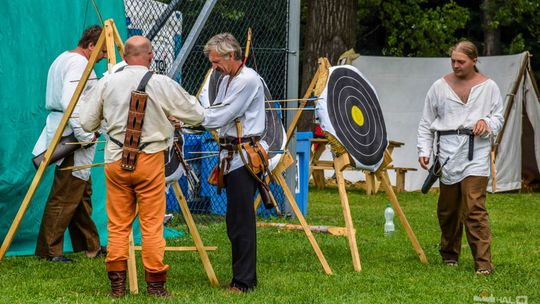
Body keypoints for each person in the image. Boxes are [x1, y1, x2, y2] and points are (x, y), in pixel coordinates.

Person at [80, 35, 204, 298]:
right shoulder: (161, 83)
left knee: (117, 225)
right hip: (149, 161)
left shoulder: (108, 82)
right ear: (150, 56)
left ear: (125, 57)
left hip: (116, 160)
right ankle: (156, 287)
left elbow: (87, 123)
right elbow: (197, 114)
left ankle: (117, 288)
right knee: (151, 225)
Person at [417, 41, 504, 275]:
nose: (456, 65)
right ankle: (449, 255)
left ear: (474, 61)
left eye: (461, 61)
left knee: (474, 207)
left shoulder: (489, 87)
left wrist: (486, 123)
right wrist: (424, 150)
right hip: (446, 153)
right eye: (453, 61)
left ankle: (483, 264)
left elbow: (499, 117)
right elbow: (426, 122)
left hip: (476, 152)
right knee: (448, 210)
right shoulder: (439, 87)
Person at [32, 25, 107, 263]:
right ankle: (49, 251)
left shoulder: (65, 58)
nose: (104, 56)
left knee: (80, 191)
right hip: (72, 133)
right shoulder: (78, 63)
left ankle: (90, 245)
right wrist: (84, 136)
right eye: (102, 51)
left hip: (68, 128)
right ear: (91, 46)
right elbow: (71, 101)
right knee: (66, 192)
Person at [201, 33, 267, 293]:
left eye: (216, 61)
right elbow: (217, 111)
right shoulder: (231, 78)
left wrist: (190, 118)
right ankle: (241, 277)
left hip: (243, 158)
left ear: (231, 56)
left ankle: (244, 281)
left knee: (241, 222)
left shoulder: (248, 79)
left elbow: (222, 115)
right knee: (234, 221)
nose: (214, 67)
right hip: (231, 156)